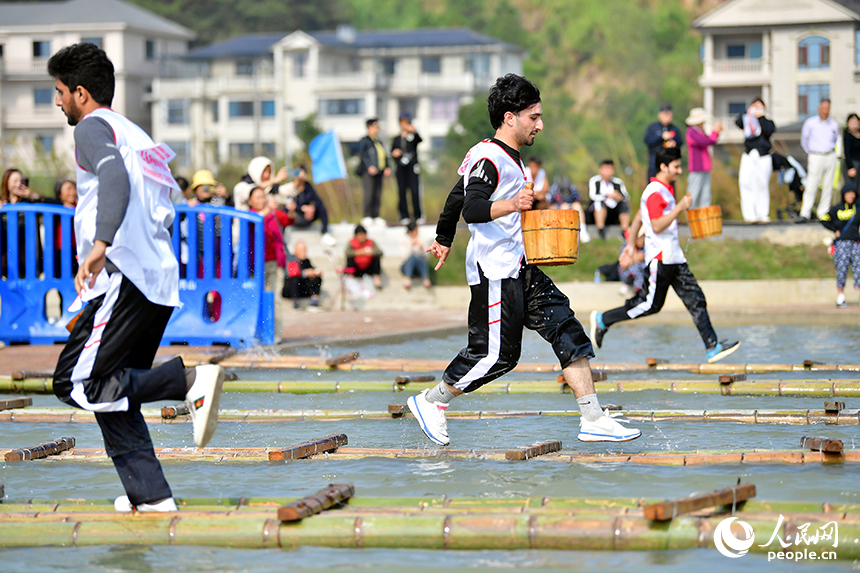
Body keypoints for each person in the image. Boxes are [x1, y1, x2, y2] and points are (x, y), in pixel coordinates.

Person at [410, 73, 640, 446]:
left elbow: (455, 196)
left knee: (567, 328)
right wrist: (511, 205)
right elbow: (471, 206)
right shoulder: (490, 156)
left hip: (522, 265)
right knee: (497, 356)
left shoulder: (507, 158)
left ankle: (593, 417)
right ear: (509, 117)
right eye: (533, 116)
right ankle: (431, 401)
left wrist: (443, 238)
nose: (540, 124)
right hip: (495, 270)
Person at [47, 42, 224, 513]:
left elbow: (115, 182)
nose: (57, 101)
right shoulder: (137, 134)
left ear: (81, 93)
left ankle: (186, 383)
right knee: (113, 392)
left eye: (60, 91)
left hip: (124, 274)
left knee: (75, 383)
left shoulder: (90, 129)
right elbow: (164, 210)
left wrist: (102, 245)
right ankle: (152, 497)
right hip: (155, 279)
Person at [589, 146, 740, 364]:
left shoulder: (664, 189)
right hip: (660, 259)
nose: (679, 171)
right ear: (663, 166)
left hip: (675, 258)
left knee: (696, 299)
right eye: (676, 167)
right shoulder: (654, 191)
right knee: (650, 305)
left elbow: (640, 217)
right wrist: (680, 207)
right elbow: (657, 225)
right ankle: (603, 319)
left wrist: (631, 246)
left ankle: (712, 347)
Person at [247, 185, 294, 338]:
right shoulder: (249, 216)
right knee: (258, 298)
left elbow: (288, 220)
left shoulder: (273, 213)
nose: (262, 200)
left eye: (263, 196)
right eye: (258, 197)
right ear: (250, 201)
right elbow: (256, 223)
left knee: (275, 298)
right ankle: (257, 333)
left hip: (274, 262)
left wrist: (291, 209)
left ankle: (275, 334)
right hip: (256, 265)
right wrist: (267, 212)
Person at [736, 98, 776, 223]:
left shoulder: (768, 122)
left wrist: (761, 118)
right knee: (746, 182)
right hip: (749, 154)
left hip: (763, 155)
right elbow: (738, 122)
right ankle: (749, 214)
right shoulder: (748, 120)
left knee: (762, 184)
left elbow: (769, 131)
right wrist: (749, 112)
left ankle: (762, 213)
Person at [819, 183, 859, 307]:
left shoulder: (858, 208)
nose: (851, 196)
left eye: (853, 193)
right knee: (842, 268)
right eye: (848, 193)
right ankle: (841, 296)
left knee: (859, 267)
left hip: (857, 242)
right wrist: (834, 229)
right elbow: (823, 218)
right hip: (842, 242)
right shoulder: (837, 208)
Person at [800, 99, 840, 222]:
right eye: (823, 108)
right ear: (818, 109)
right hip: (815, 155)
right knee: (812, 184)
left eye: (827, 109)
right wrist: (812, 152)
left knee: (828, 185)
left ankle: (823, 212)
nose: (825, 111)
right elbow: (804, 141)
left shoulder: (834, 124)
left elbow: (835, 139)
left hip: (830, 155)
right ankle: (805, 212)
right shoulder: (810, 123)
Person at [284, 165, 336, 246]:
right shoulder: (290, 187)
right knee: (285, 209)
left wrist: (312, 208)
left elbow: (318, 201)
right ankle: (283, 234)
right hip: (295, 217)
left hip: (308, 217)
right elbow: (289, 204)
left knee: (322, 208)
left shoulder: (308, 186)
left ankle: (325, 233)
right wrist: (302, 208)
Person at [685, 107, 722, 209]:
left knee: (706, 194)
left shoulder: (700, 131)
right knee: (693, 192)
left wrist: (716, 133)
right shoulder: (692, 132)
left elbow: (709, 141)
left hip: (705, 166)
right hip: (697, 167)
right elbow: (704, 142)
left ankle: (704, 217)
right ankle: (691, 216)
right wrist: (715, 132)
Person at [356, 118, 390, 227]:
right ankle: (367, 215)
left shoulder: (379, 141)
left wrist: (387, 167)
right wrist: (369, 166)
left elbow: (384, 155)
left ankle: (375, 215)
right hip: (368, 172)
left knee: (377, 193)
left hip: (379, 171)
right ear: (369, 127)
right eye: (375, 126)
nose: (377, 129)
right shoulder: (365, 141)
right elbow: (363, 155)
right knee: (369, 193)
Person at [391, 112, 423, 224]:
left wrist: (413, 131)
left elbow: (420, 140)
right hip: (401, 168)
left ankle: (418, 215)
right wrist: (394, 153)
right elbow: (392, 151)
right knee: (402, 192)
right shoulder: (396, 138)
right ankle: (404, 215)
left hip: (412, 168)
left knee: (415, 191)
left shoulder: (413, 137)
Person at [588, 159, 630, 240]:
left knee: (625, 205)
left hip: (615, 209)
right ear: (600, 170)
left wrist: (618, 197)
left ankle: (625, 231)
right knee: (599, 203)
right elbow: (592, 196)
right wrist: (608, 196)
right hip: (599, 210)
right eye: (606, 169)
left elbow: (626, 197)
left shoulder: (618, 182)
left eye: (610, 169)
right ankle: (600, 231)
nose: (608, 172)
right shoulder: (595, 181)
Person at [546, 175, 591, 243]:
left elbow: (578, 200)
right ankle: (563, 233)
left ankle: (582, 231)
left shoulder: (573, 188)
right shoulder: (553, 189)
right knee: (564, 206)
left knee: (577, 205)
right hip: (558, 209)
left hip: (571, 206)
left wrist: (570, 206)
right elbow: (549, 205)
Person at [644, 103, 683, 180]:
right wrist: (661, 137)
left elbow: (680, 142)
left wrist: (674, 143)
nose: (667, 118)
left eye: (669, 115)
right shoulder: (653, 127)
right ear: (660, 115)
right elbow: (648, 141)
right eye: (665, 115)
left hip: (670, 163)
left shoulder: (674, 128)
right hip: (654, 162)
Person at [282, 240, 322, 308]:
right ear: (295, 250)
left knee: (316, 278)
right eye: (301, 250)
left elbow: (311, 269)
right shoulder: (291, 259)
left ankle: (314, 300)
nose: (304, 252)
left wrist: (316, 272)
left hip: (302, 289)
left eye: (305, 249)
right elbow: (290, 274)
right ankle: (294, 302)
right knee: (294, 280)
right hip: (289, 289)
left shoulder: (306, 261)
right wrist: (305, 273)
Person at [345, 224, 383, 288]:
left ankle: (377, 279)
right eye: (359, 235)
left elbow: (380, 252)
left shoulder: (371, 242)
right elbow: (347, 253)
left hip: (368, 267)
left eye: (363, 234)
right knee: (349, 258)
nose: (361, 237)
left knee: (377, 257)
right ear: (356, 236)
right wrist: (360, 252)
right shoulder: (352, 242)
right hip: (356, 268)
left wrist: (372, 252)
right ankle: (350, 278)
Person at [401, 221, 431, 289]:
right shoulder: (403, 240)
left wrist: (422, 248)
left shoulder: (422, 239)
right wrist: (411, 246)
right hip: (406, 266)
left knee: (419, 257)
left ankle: (426, 279)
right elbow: (403, 258)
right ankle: (407, 278)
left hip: (420, 265)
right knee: (412, 257)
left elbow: (427, 257)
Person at [844, 113, 860, 192]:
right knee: (852, 188)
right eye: (852, 122)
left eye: (855, 122)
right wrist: (850, 167)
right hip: (853, 164)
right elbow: (847, 152)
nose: (854, 124)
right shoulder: (847, 135)